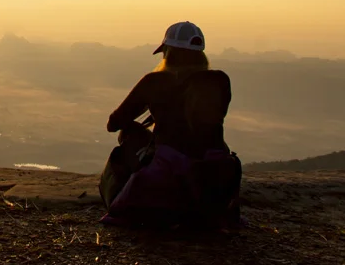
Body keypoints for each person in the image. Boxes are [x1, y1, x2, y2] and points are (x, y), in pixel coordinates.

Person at [98, 21, 242, 229]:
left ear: (168, 52)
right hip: (216, 170)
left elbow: (114, 123)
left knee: (129, 133)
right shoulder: (220, 80)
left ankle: (128, 196)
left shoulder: (154, 81)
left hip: (170, 168)